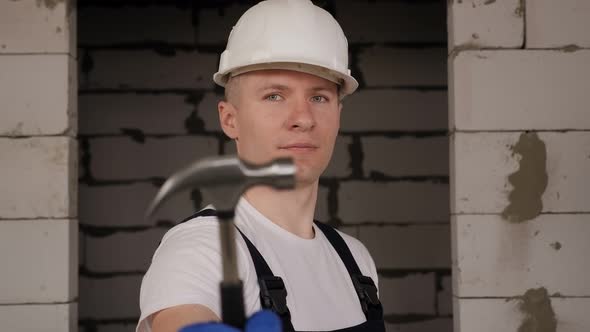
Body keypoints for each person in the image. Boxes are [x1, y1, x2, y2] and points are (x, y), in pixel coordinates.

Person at [136, 0, 385, 331]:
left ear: (338, 115)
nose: (303, 119)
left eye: (319, 97)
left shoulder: (355, 259)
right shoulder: (201, 248)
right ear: (230, 119)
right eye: (274, 96)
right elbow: (181, 317)